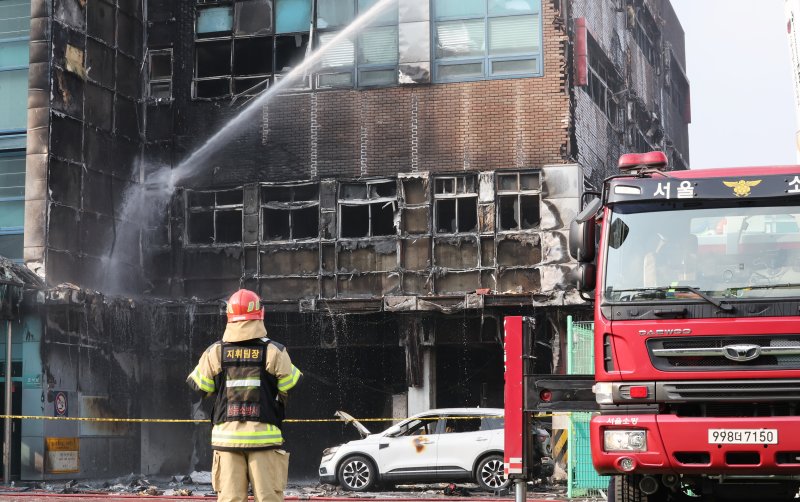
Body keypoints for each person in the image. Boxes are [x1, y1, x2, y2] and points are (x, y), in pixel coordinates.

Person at [187, 289, 302, 502]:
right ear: (261, 314)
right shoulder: (275, 351)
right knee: (268, 498)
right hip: (265, 441)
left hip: (227, 441)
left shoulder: (215, 353)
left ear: (229, 316)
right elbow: (289, 387)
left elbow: (200, 388)